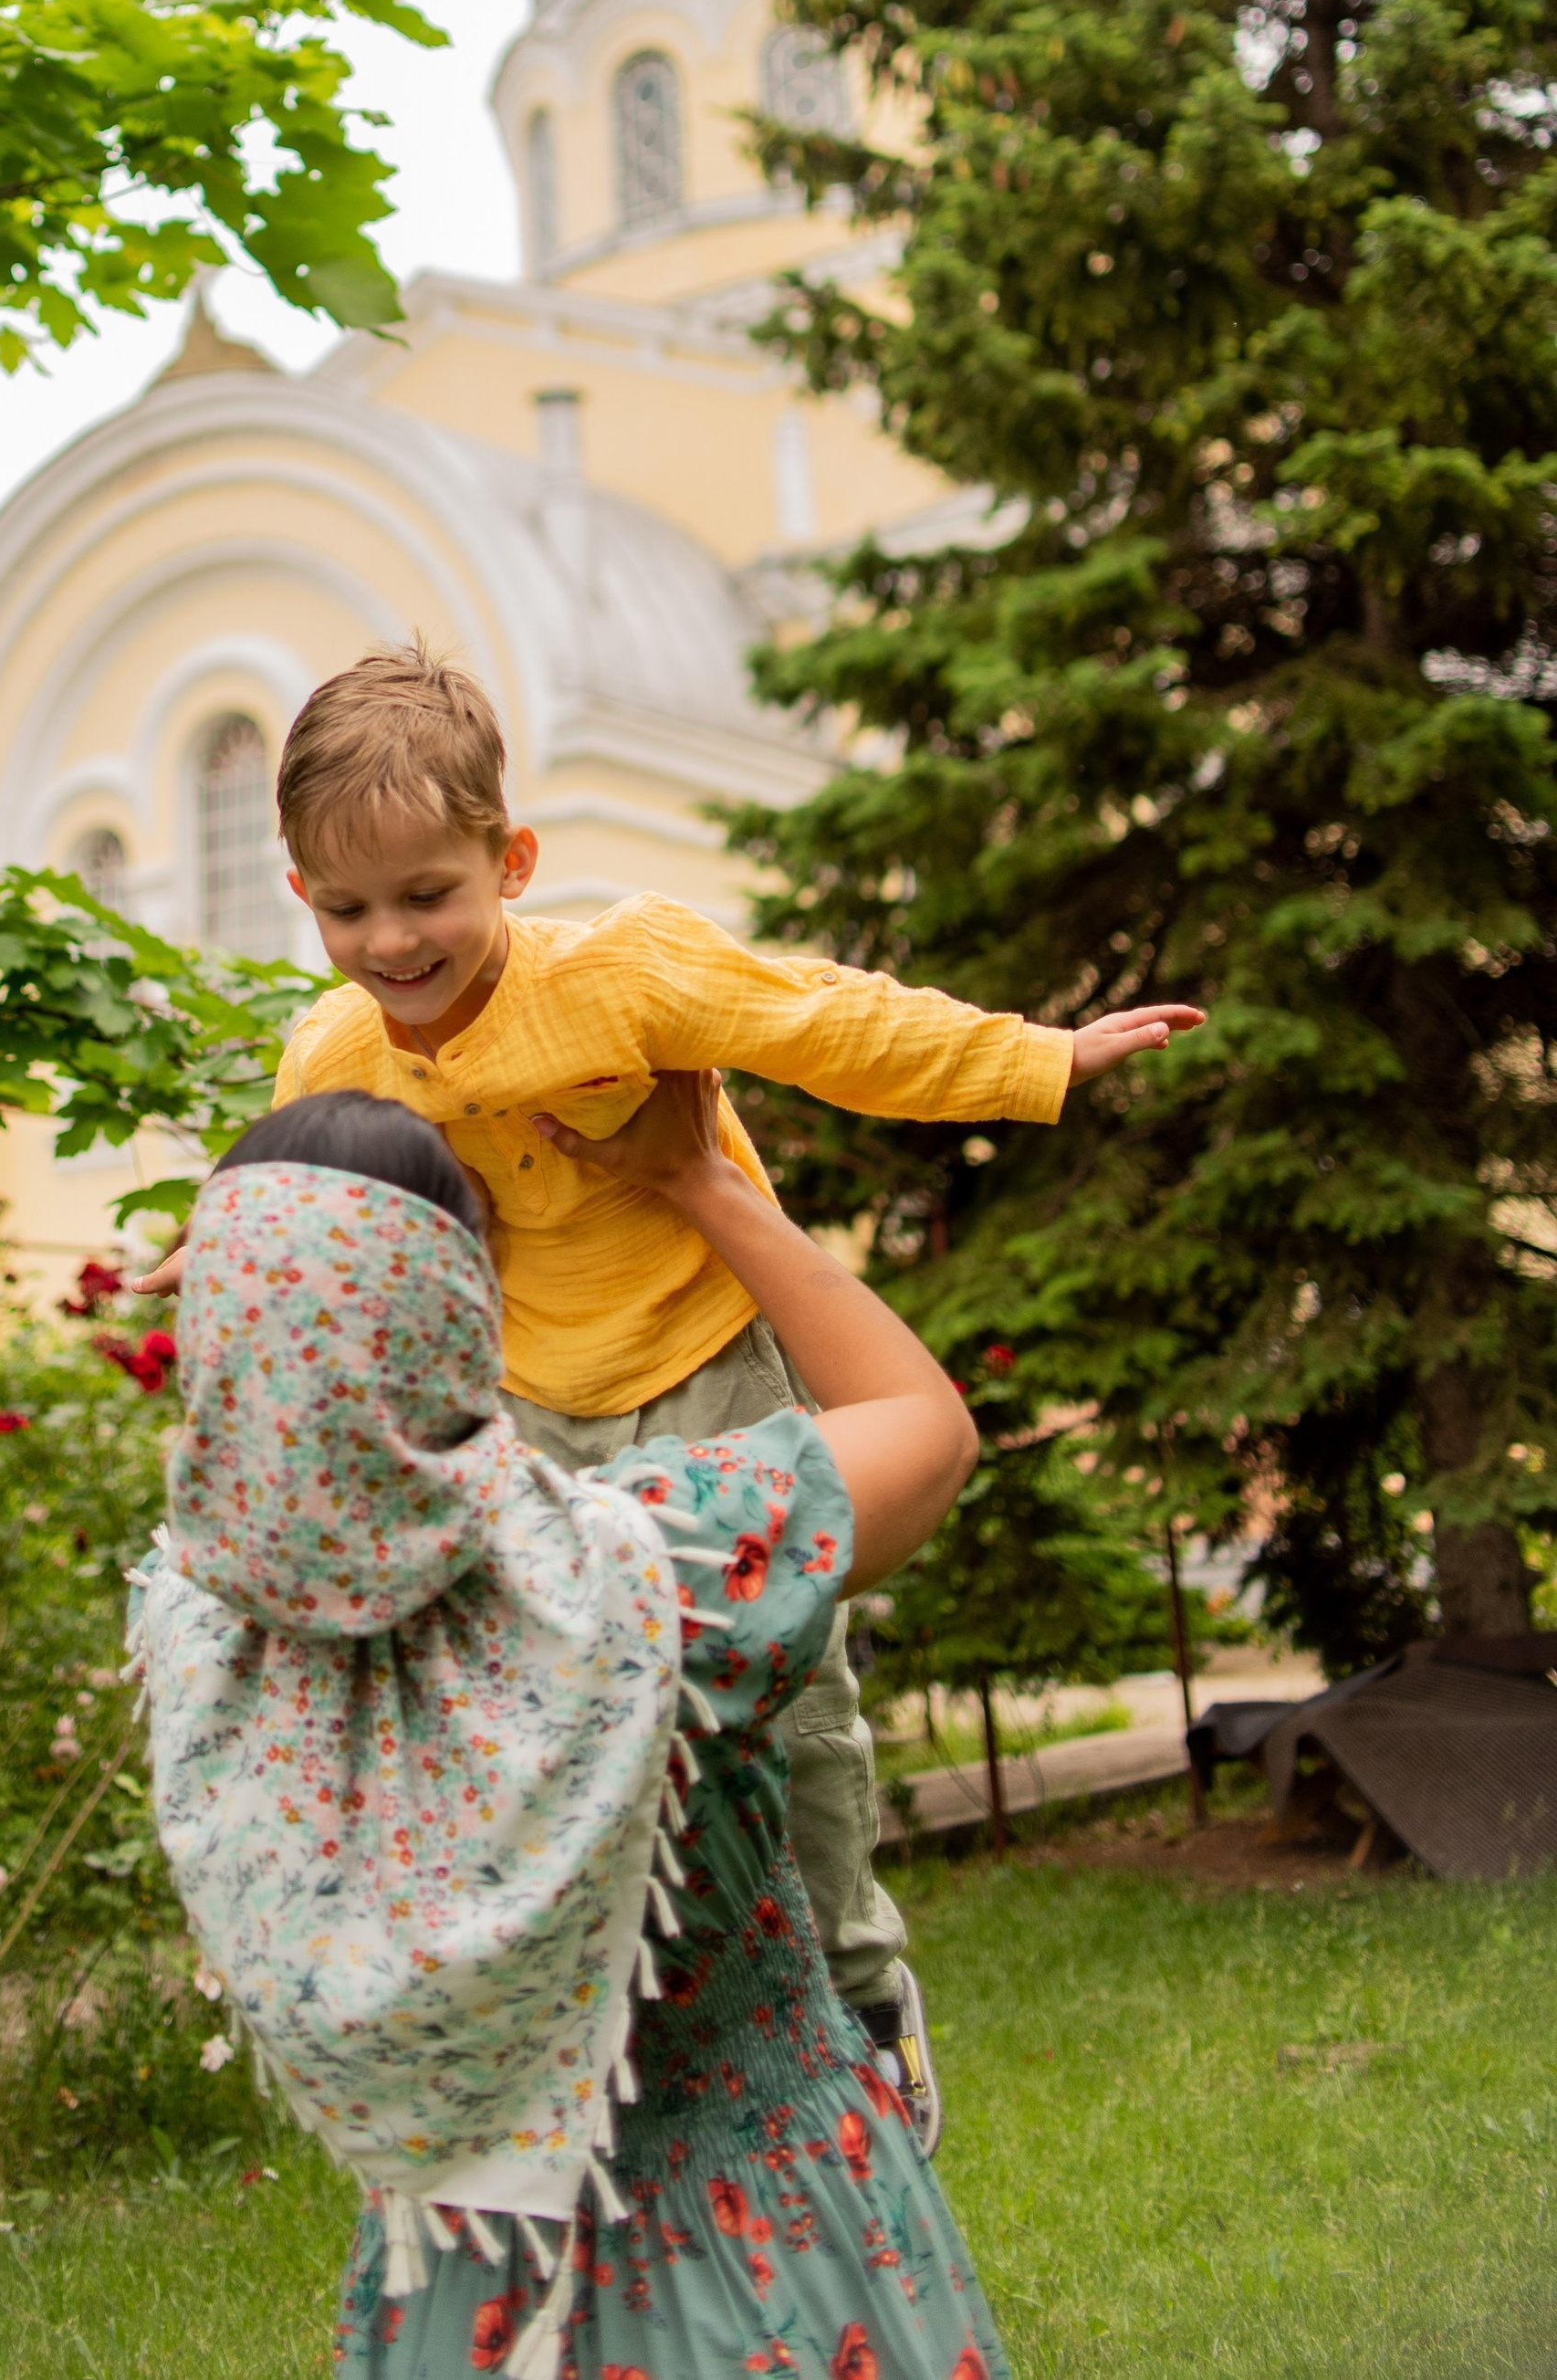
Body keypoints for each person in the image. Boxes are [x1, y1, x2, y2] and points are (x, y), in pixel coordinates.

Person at [132, 642, 1204, 2134]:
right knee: (558, 1710)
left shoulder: (621, 972)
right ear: (303, 894)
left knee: (786, 1698)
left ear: (509, 862)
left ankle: (861, 1988)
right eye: (351, 907)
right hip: (520, 1411)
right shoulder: (334, 1044)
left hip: (704, 1365)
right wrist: (213, 1247)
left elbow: (823, 1019)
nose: (392, 941)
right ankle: (609, 2007)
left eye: (429, 894)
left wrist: (1036, 1059)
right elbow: (316, 1195)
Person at [131, 1078, 1013, 2380]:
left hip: (459, 2302)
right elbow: (928, 1434)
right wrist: (702, 1183)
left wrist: (285, 1301)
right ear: (464, 1306)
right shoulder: (653, 1565)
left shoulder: (195, 1642)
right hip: (776, 2258)